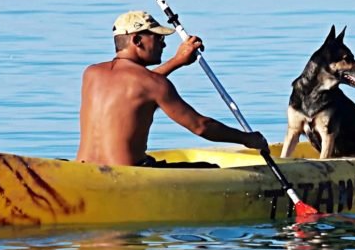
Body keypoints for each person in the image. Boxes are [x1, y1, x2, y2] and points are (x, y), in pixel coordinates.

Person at [76, 10, 269, 167]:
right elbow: (201, 127)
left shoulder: (91, 74)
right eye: (157, 38)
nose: (164, 43)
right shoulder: (152, 84)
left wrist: (177, 61)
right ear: (137, 41)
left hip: (84, 170)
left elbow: (136, 86)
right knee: (210, 169)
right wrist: (247, 138)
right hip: (129, 175)